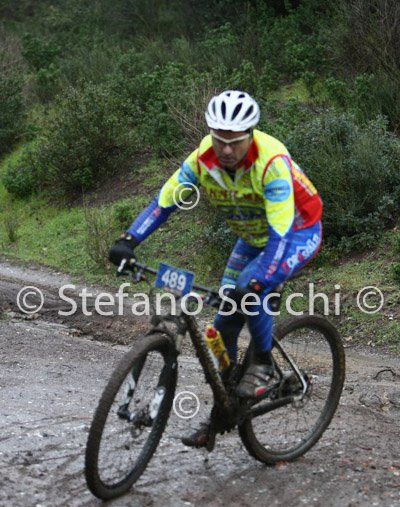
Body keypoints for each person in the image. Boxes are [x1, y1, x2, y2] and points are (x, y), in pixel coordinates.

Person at [109, 90, 323, 449]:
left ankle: (263, 363)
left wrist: (260, 282)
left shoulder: (271, 164)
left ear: (250, 135)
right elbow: (164, 203)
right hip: (251, 235)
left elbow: (280, 234)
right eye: (219, 139)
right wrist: (129, 240)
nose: (225, 149)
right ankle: (224, 411)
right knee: (223, 324)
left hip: (296, 232)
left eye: (234, 142)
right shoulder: (202, 159)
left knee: (249, 289)